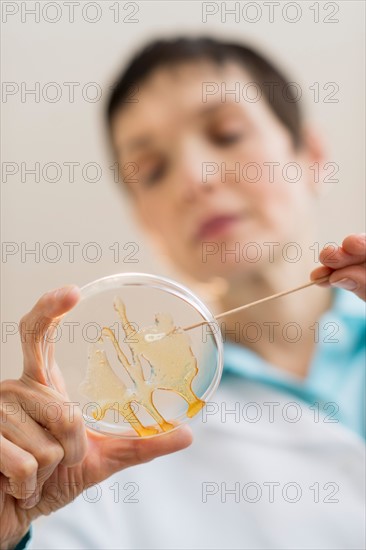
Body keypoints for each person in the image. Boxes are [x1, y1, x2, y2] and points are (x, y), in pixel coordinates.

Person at [1, 37, 365, 550]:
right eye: (151, 171)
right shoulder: (115, 445)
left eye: (227, 133)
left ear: (312, 156)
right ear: (144, 221)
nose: (195, 179)